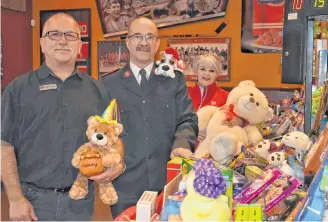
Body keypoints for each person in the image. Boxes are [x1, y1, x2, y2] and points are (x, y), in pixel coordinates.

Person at [1, 13, 109, 221]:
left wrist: (115, 165)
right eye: (54, 34)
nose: (62, 40)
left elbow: (110, 140)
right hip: (32, 202)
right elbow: (4, 146)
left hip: (80, 202)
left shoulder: (97, 89)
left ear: (79, 45)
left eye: (70, 35)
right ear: (42, 43)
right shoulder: (18, 89)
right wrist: (15, 199)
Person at [101, 17, 198, 218]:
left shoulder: (174, 80)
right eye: (137, 36)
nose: (144, 42)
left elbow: (187, 118)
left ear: (157, 43)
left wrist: (182, 144)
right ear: (127, 42)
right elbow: (100, 130)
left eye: (149, 37)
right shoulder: (108, 84)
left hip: (167, 183)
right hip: (125, 184)